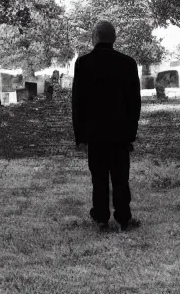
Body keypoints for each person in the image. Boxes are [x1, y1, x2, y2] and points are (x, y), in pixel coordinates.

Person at [72, 20, 142, 231]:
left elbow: (78, 102)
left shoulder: (83, 63)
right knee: (121, 177)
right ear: (114, 38)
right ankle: (123, 218)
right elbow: (134, 103)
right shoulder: (128, 63)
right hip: (120, 132)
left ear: (95, 37)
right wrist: (131, 133)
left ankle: (101, 217)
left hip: (95, 133)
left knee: (99, 177)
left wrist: (80, 135)